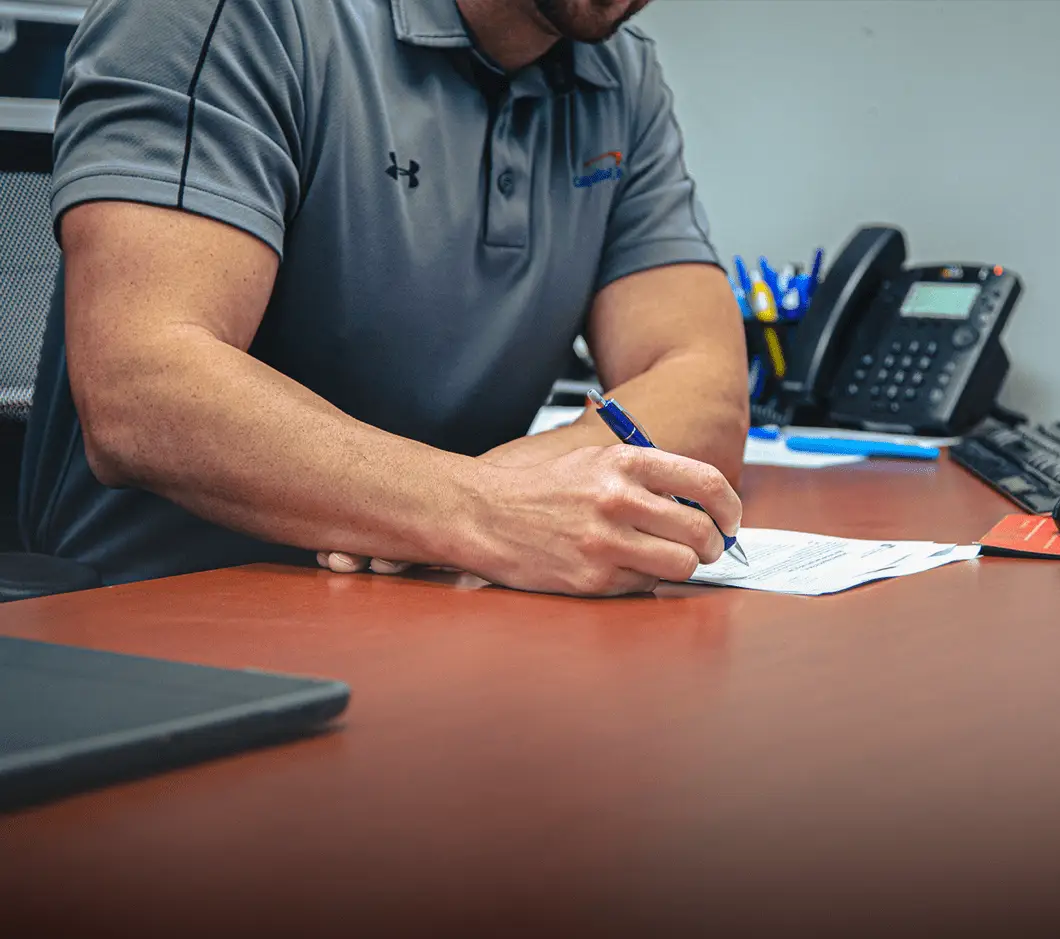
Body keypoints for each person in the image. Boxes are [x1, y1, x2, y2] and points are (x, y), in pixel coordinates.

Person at [18, 0, 749, 597]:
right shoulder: (229, 14)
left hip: (440, 605)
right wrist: (478, 512)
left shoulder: (620, 74)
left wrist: (478, 508)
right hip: (165, 619)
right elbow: (142, 387)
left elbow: (708, 393)